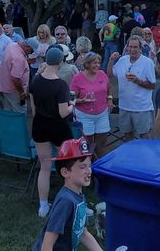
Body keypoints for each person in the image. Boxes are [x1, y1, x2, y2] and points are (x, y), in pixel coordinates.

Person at [29, 137, 103, 251]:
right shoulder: (66, 201)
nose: (89, 171)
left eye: (89, 165)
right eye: (83, 167)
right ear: (65, 172)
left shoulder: (78, 196)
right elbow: (46, 246)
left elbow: (83, 233)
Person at [31, 47, 75, 217]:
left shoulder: (35, 81)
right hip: (59, 128)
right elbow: (63, 112)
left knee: (44, 167)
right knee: (70, 166)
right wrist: (73, 104)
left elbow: (33, 109)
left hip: (40, 125)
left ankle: (43, 206)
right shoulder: (61, 85)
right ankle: (74, 201)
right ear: (60, 62)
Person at [110, 37, 157, 141]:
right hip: (124, 107)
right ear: (127, 48)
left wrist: (138, 81)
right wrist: (111, 60)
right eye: (130, 47)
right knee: (127, 138)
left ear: (140, 49)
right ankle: (130, 157)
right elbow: (110, 74)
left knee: (145, 138)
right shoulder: (122, 60)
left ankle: (145, 157)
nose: (132, 49)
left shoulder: (147, 63)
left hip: (142, 108)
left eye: (135, 47)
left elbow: (153, 85)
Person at [71, 53, 110, 157]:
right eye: (94, 63)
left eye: (98, 63)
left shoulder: (102, 74)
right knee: (87, 144)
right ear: (87, 64)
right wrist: (82, 100)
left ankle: (100, 168)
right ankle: (87, 167)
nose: (97, 65)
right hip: (84, 115)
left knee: (102, 142)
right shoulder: (77, 78)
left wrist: (109, 99)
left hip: (102, 114)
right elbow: (71, 99)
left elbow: (109, 89)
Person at [0, 40, 32, 112]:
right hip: (13, 91)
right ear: (27, 48)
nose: (30, 54)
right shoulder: (19, 58)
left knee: (7, 112)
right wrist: (21, 92)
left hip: (3, 87)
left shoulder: (11, 45)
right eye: (31, 51)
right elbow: (15, 78)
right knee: (19, 113)